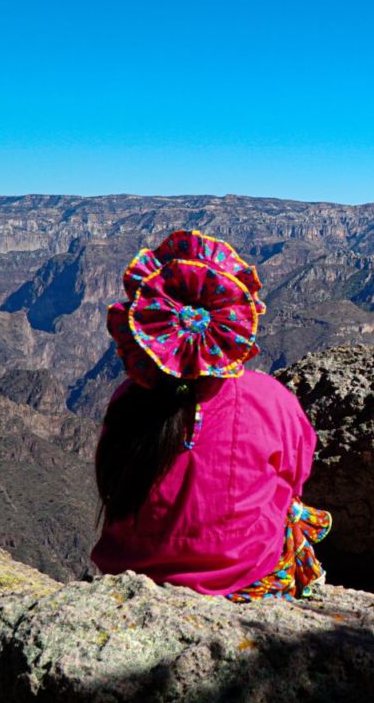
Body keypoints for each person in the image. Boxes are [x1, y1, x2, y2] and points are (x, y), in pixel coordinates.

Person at [91, 229, 331, 602]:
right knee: (293, 509)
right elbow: (296, 476)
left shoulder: (128, 399)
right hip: (242, 575)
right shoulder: (270, 398)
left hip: (135, 569)